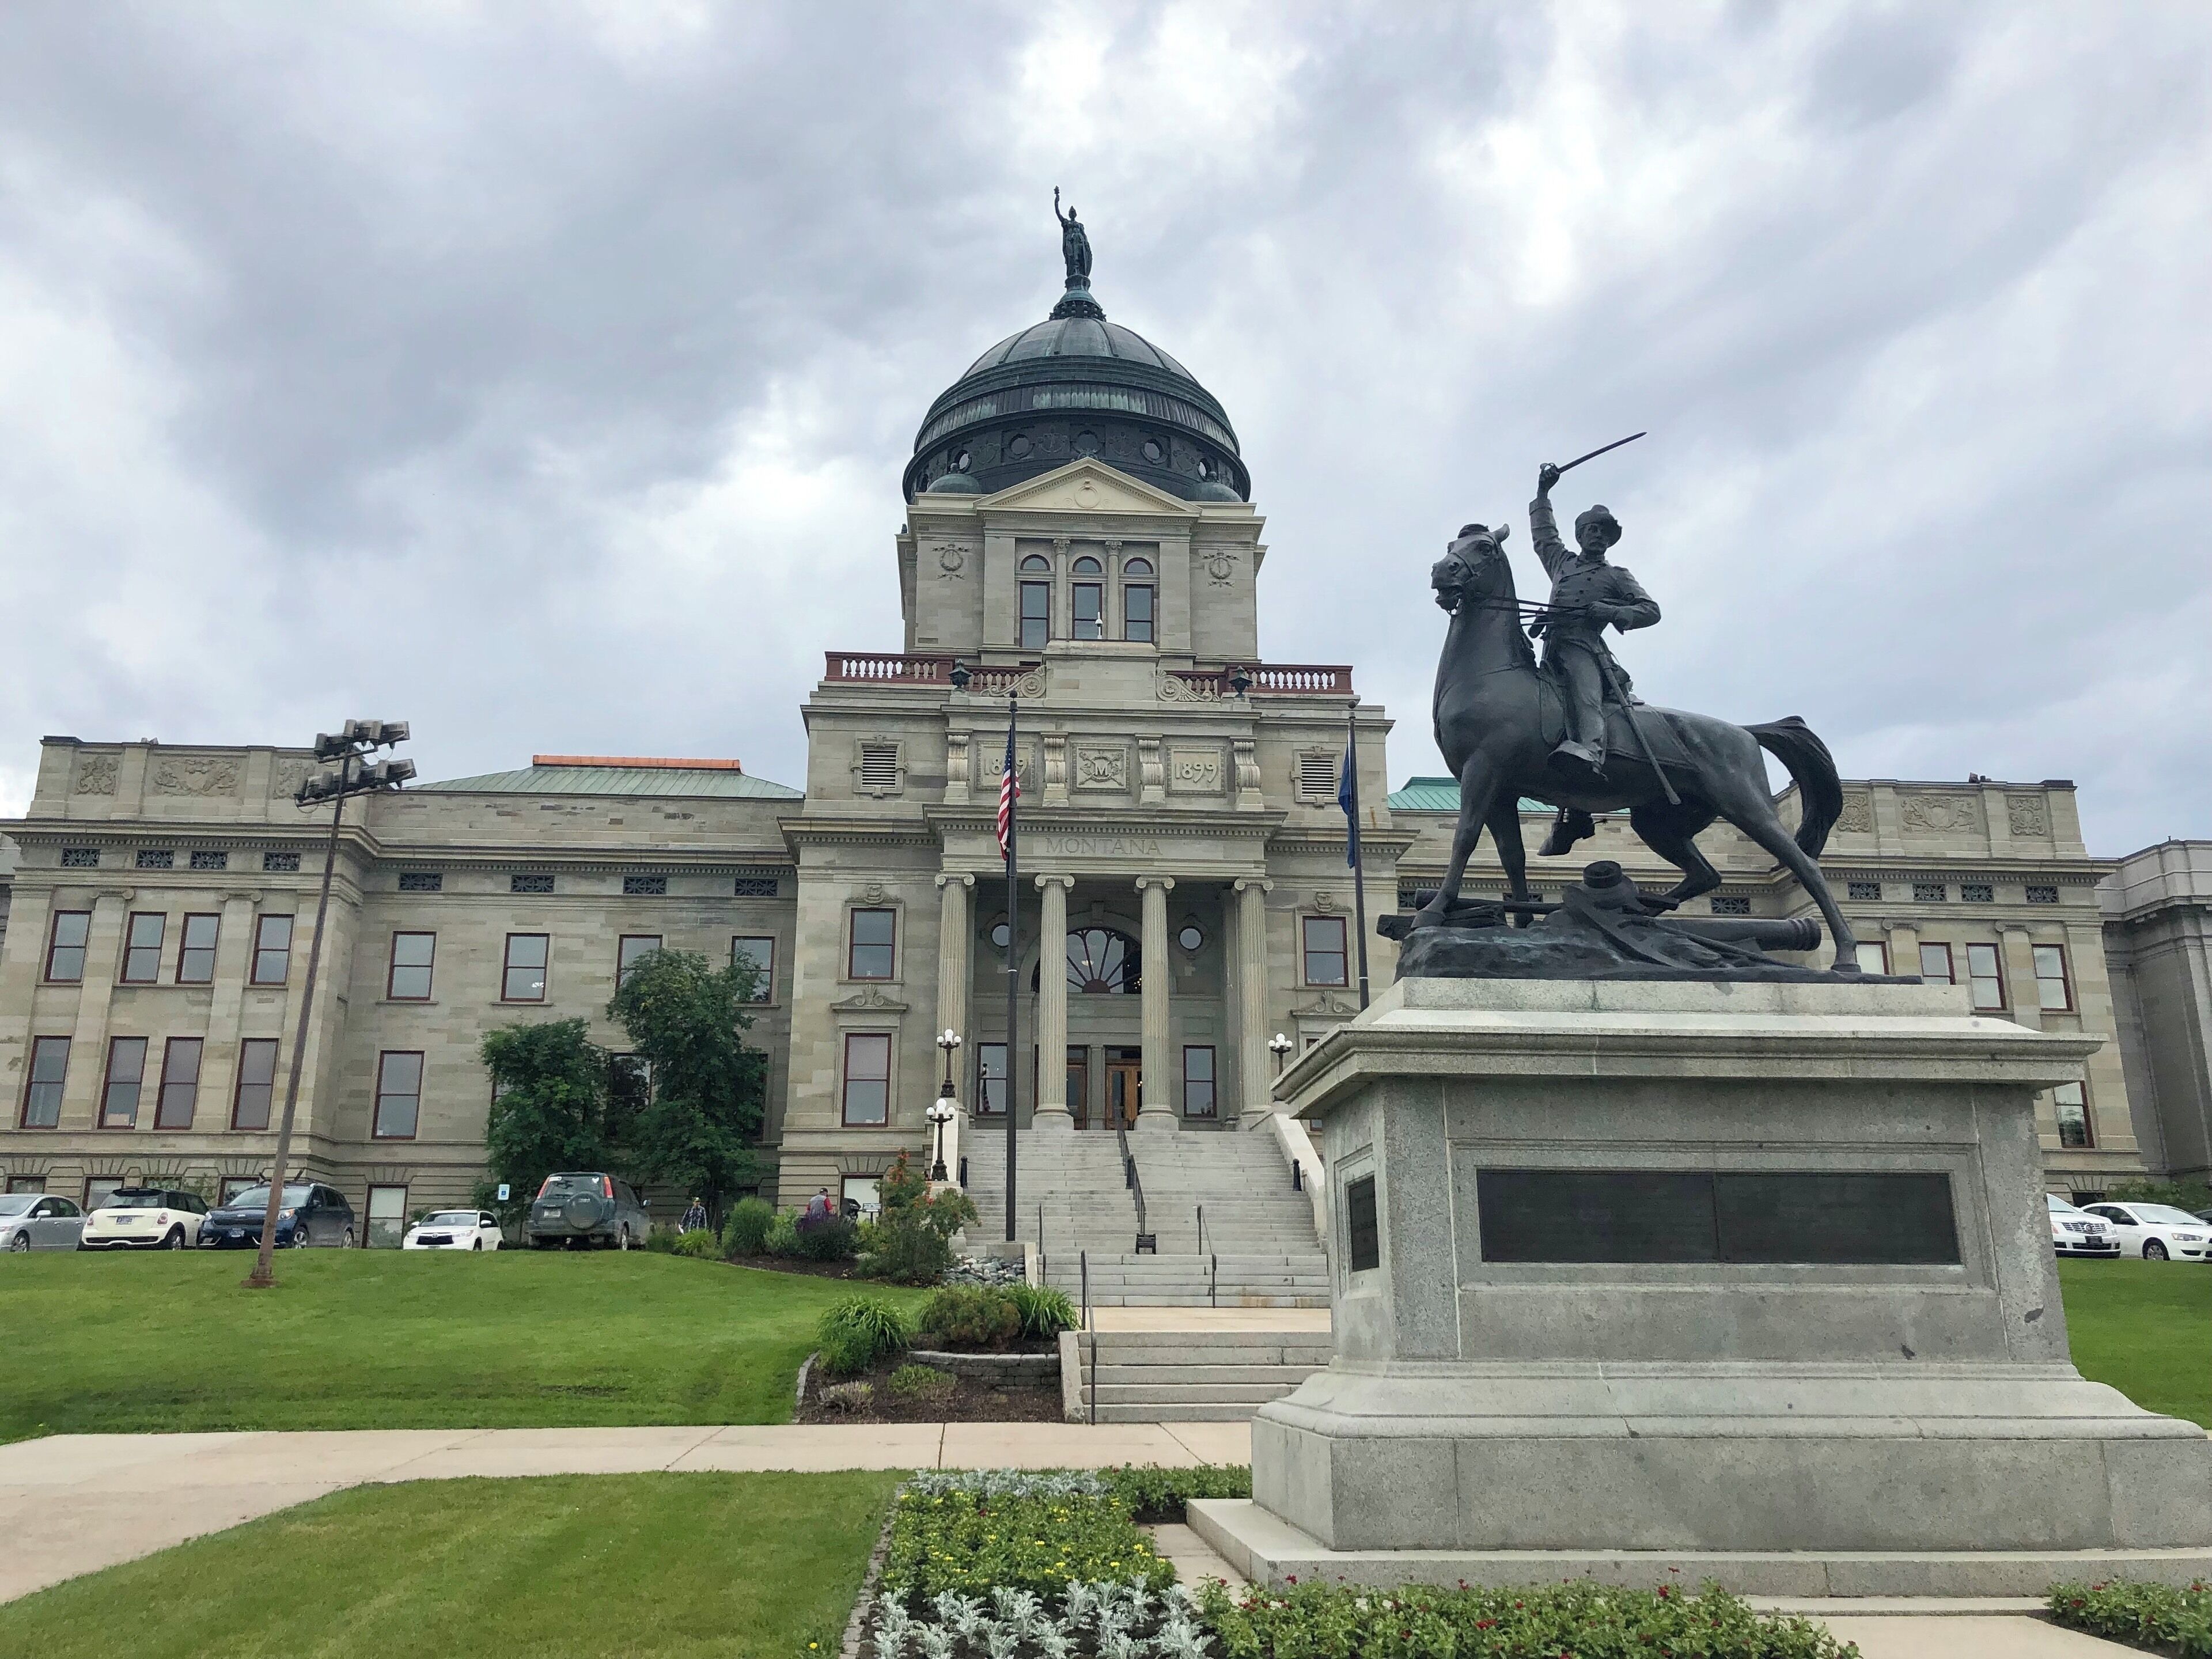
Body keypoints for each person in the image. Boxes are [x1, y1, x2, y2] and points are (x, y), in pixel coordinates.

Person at [1528, 461, 1660, 777]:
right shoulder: (1562, 562)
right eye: (1593, 530)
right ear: (1581, 535)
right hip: (1551, 647)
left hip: (1583, 647)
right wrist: (1543, 494)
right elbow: (1544, 536)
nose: (1599, 536)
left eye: (1605, 533)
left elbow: (1651, 610)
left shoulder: (1616, 576)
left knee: (1583, 692)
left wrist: (1612, 612)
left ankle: (1590, 750)